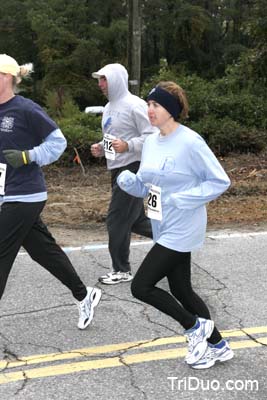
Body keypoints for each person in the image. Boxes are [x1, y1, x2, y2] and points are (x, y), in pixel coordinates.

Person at [117, 81, 234, 369]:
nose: (150, 110)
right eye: (149, 104)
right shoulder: (153, 142)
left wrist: (183, 198)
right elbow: (150, 186)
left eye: (155, 105)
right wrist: (132, 184)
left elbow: (220, 180)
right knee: (182, 290)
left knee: (141, 286)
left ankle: (195, 329)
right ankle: (218, 346)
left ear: (170, 109)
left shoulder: (191, 142)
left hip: (184, 225)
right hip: (162, 223)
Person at [0, 54, 101, 330]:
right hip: (4, 194)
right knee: (42, 251)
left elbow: (58, 142)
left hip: (25, 194)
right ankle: (84, 294)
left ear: (7, 77)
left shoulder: (25, 109)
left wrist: (27, 156)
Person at [91, 63, 156, 285]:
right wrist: (102, 149)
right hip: (118, 169)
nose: (100, 84)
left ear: (117, 79)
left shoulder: (135, 105)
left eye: (104, 79)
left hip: (134, 169)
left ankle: (122, 270)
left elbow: (153, 135)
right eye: (99, 80)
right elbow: (115, 139)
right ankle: (174, 241)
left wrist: (128, 145)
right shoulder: (109, 107)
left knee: (116, 220)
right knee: (136, 220)